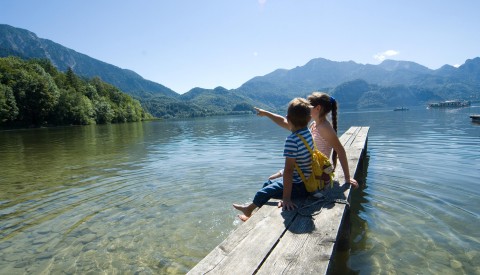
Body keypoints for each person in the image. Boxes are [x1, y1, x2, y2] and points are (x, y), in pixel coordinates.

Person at [255, 92, 359, 189]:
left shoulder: (324, 128)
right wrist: (266, 113)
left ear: (318, 108)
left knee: (270, 185)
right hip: (308, 171)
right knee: (270, 182)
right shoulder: (314, 125)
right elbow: (285, 122)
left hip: (316, 176)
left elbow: (340, 150)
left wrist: (347, 177)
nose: (305, 108)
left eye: (308, 106)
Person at [233, 98, 314, 221]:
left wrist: (286, 198)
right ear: (309, 118)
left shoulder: (292, 140)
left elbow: (289, 170)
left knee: (263, 192)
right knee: (267, 184)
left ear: (288, 118)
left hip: (299, 186)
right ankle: (253, 213)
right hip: (304, 181)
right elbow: (283, 121)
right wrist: (266, 113)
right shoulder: (306, 132)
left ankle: (248, 209)